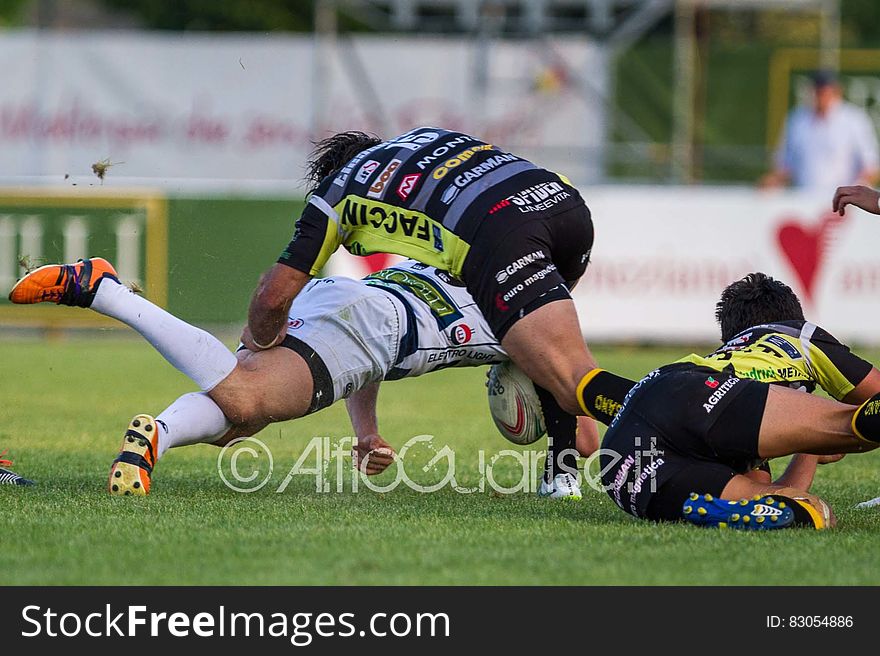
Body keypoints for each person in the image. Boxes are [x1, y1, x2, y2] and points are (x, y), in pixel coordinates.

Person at [9, 257, 598, 497]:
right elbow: (583, 421)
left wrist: (366, 431)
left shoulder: (458, 263)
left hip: (346, 303)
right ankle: (104, 290)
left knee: (241, 422)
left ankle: (153, 438)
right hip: (367, 325)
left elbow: (372, 360)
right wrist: (560, 473)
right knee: (243, 396)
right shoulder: (522, 319)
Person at [243, 128, 635, 445]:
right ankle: (561, 478)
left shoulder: (338, 192)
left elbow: (274, 295)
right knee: (566, 377)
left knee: (570, 382)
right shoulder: (423, 143)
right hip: (563, 203)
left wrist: (261, 337)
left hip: (503, 228)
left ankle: (682, 407)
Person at [599, 272, 880, 530]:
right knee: (855, 426)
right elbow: (874, 394)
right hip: (702, 396)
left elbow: (771, 487)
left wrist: (811, 445)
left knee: (809, 510)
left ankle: (700, 508)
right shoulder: (795, 332)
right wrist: (833, 429)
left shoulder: (728, 371)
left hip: (624, 461)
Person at [760, 70, 879, 191]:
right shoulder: (797, 119)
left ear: (836, 91)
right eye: (817, 90)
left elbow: (871, 165)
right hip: (804, 199)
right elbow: (786, 163)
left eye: (824, 91)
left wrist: (855, 190)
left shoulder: (854, 120)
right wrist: (774, 180)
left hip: (843, 200)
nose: (820, 95)